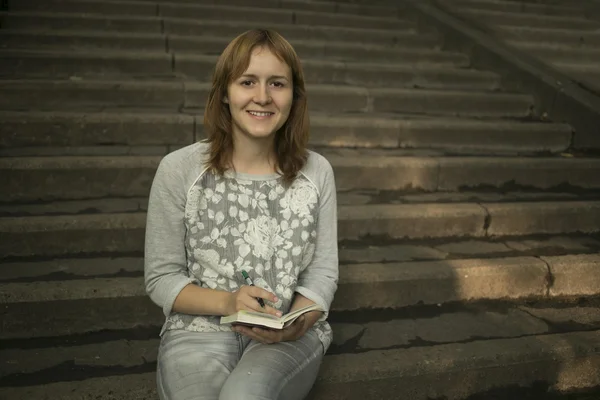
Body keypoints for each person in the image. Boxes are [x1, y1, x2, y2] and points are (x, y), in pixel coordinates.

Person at [144, 28, 339, 400]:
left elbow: (323, 273)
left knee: (245, 395)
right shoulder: (179, 169)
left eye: (277, 84)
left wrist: (298, 323)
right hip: (196, 331)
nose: (262, 97)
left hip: (287, 337)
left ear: (295, 97)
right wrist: (228, 302)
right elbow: (161, 277)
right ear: (224, 94)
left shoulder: (316, 172)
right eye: (247, 81)